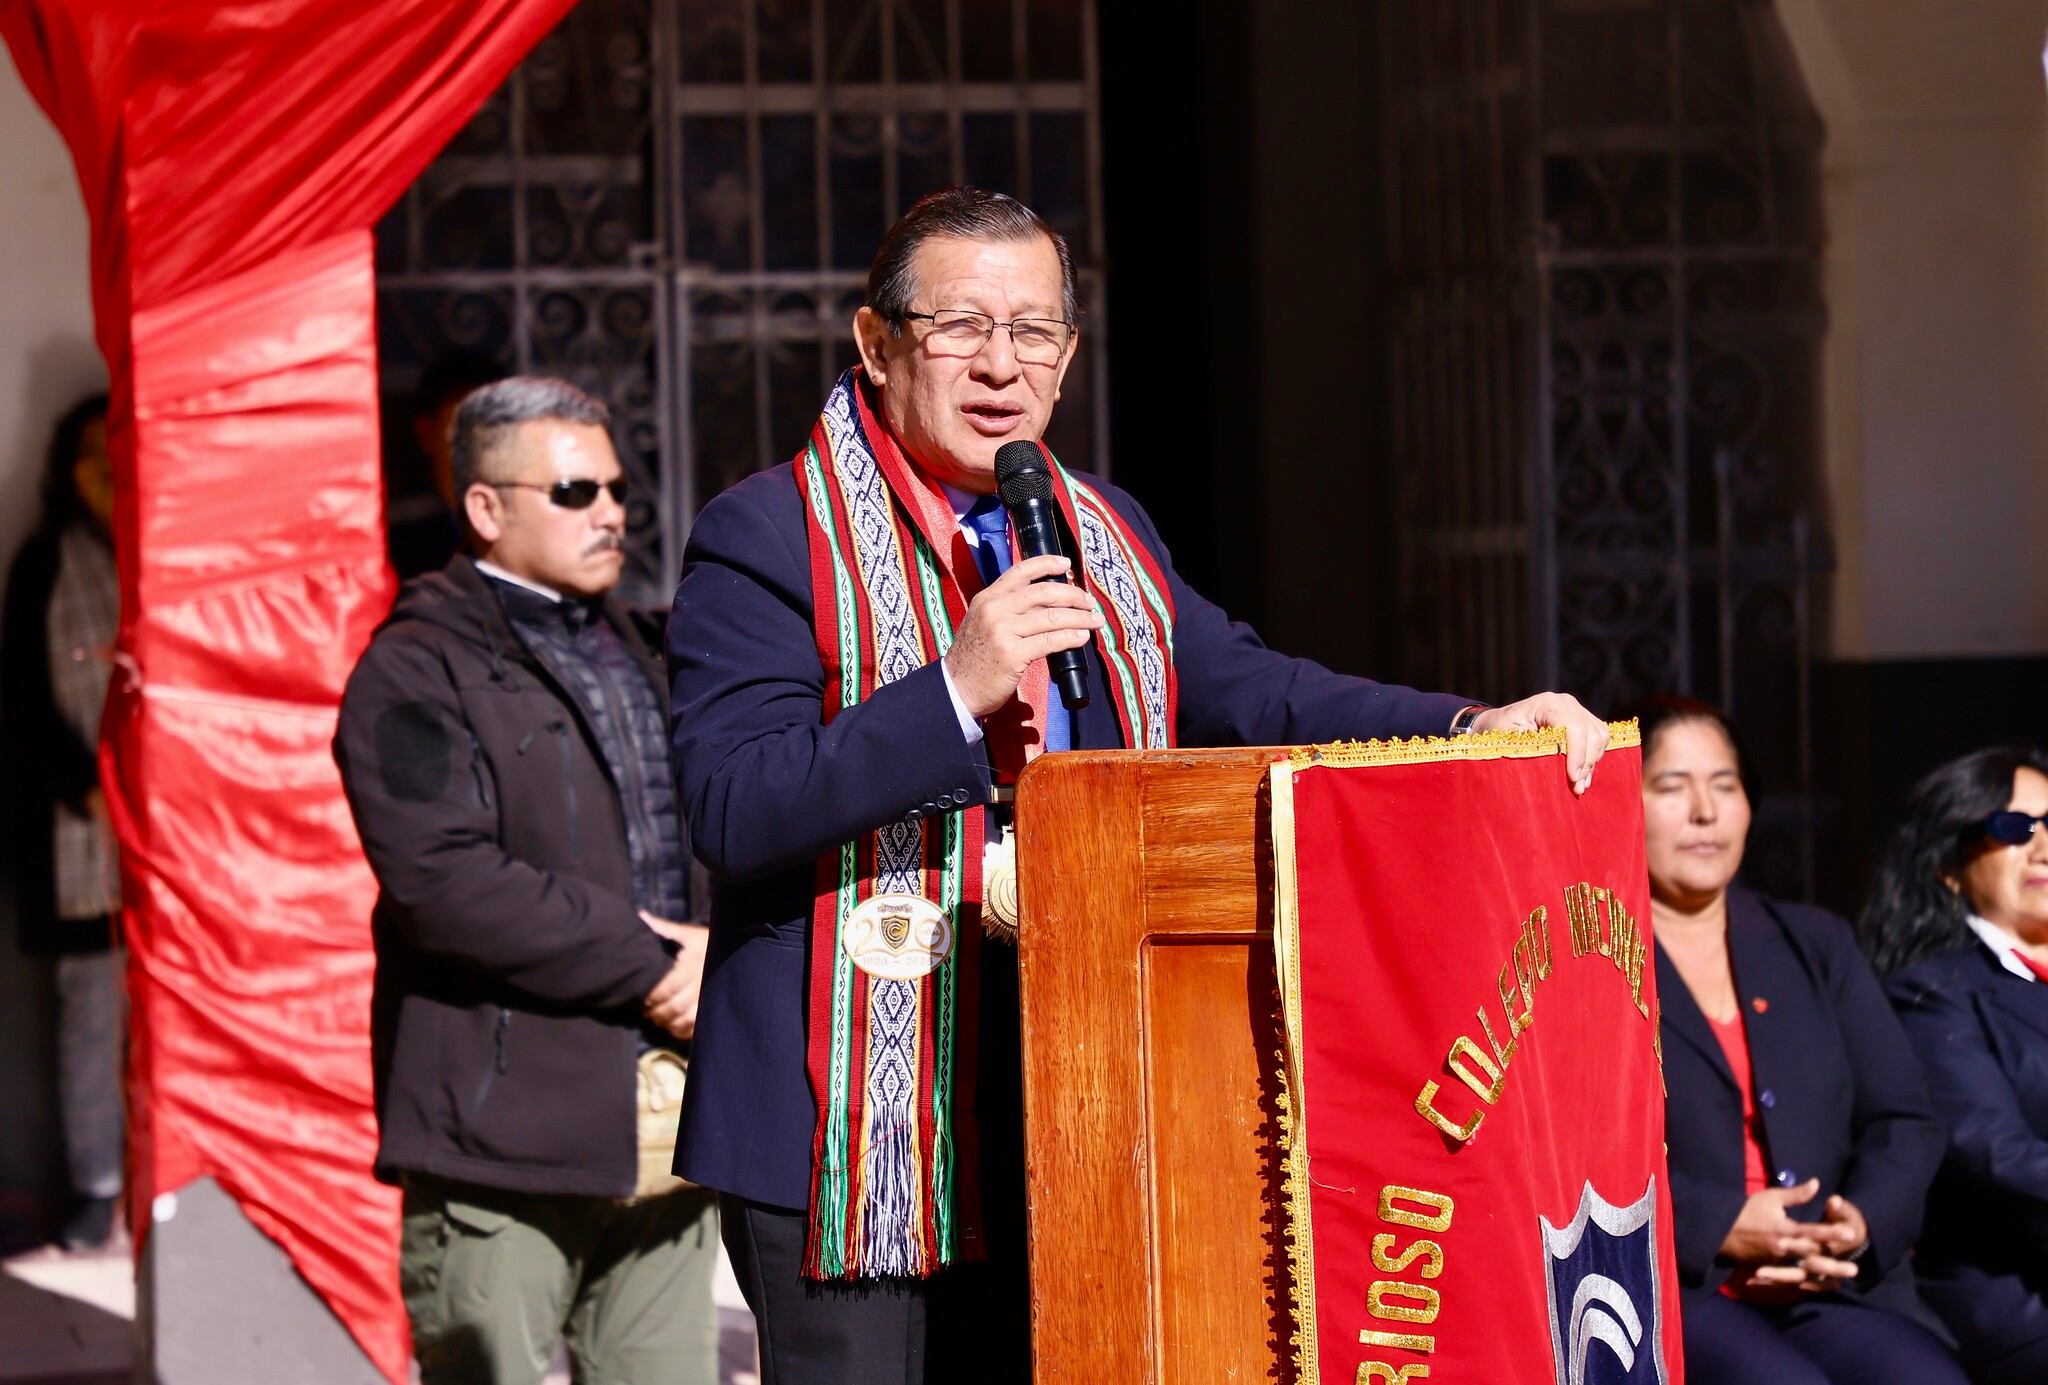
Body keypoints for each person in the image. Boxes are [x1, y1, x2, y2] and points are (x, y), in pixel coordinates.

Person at [665, 185, 1611, 1384]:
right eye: (957, 325)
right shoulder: (764, 533)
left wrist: (1474, 720)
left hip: (1083, 1079)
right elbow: (734, 804)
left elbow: (1255, 691)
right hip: (853, 1119)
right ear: (874, 342)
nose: (998, 363)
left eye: (1034, 331)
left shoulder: (1096, 527)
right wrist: (955, 687)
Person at [334, 377, 717, 1384]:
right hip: (498, 1141)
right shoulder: (412, 669)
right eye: (575, 490)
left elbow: (718, 828)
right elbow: (443, 881)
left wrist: (720, 951)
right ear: (484, 508)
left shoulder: (647, 649)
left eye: (616, 488)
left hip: (666, 1130)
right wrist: (655, 961)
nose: (610, 512)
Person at [1624, 695, 1963, 1384]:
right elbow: (1571, 1159)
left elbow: (1904, 1117)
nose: (1705, 812)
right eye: (1671, 786)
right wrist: (1719, 1222)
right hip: (1685, 1286)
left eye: (1725, 784)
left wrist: (1859, 1221)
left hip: (1832, 1284)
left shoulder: (1814, 942)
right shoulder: (1595, 962)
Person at [1866, 746, 2048, 1383]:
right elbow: (1998, 1154)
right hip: (2019, 1299)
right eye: (2013, 828)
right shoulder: (1930, 992)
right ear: (1948, 867)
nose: (2043, 846)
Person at [2, 393, 126, 1255]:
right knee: (89, 1012)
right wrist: (86, 787)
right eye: (89, 457)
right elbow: (21, 697)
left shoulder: (178, 553)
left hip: (181, 829)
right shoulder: (45, 561)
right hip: (81, 828)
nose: (105, 473)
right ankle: (94, 1186)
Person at [385, 351, 503, 580]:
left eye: (493, 431)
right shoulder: (403, 544)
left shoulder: (528, 526)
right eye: (464, 431)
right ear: (426, 432)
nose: (480, 447)